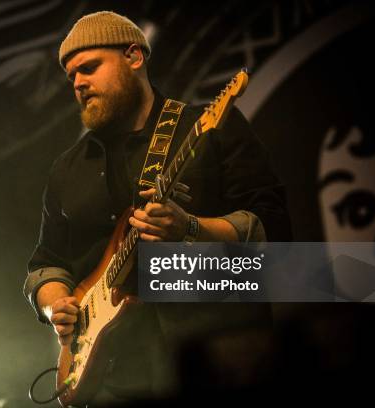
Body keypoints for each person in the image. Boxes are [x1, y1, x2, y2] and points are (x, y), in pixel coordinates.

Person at [23, 11, 292, 405]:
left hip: (219, 360)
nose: (78, 83)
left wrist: (191, 229)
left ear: (134, 57)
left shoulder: (208, 127)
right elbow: (45, 262)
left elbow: (277, 234)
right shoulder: (66, 169)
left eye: (90, 67)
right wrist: (53, 304)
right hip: (117, 378)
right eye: (71, 77)